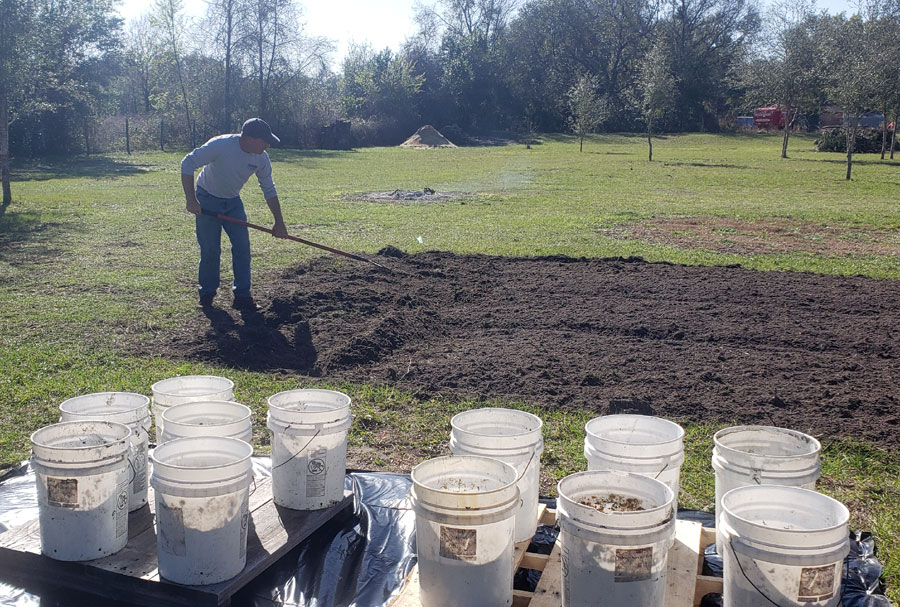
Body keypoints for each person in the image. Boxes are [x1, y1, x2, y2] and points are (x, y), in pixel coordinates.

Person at [181, 118, 289, 310]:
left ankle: (242, 295)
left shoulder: (261, 158)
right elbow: (187, 164)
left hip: (232, 202)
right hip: (206, 199)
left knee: (242, 247)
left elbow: (269, 189)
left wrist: (278, 222)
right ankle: (207, 293)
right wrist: (191, 200)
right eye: (264, 140)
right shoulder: (221, 145)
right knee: (211, 249)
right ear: (248, 138)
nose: (268, 145)